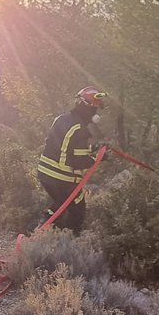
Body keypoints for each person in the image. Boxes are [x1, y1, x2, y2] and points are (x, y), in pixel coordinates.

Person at [36, 86, 108, 235]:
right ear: (86, 107)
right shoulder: (81, 129)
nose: (95, 114)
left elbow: (65, 146)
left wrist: (94, 148)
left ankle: (44, 229)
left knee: (61, 203)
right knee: (77, 211)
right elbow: (78, 161)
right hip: (62, 178)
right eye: (94, 109)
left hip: (44, 173)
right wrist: (99, 158)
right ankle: (67, 239)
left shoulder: (62, 119)